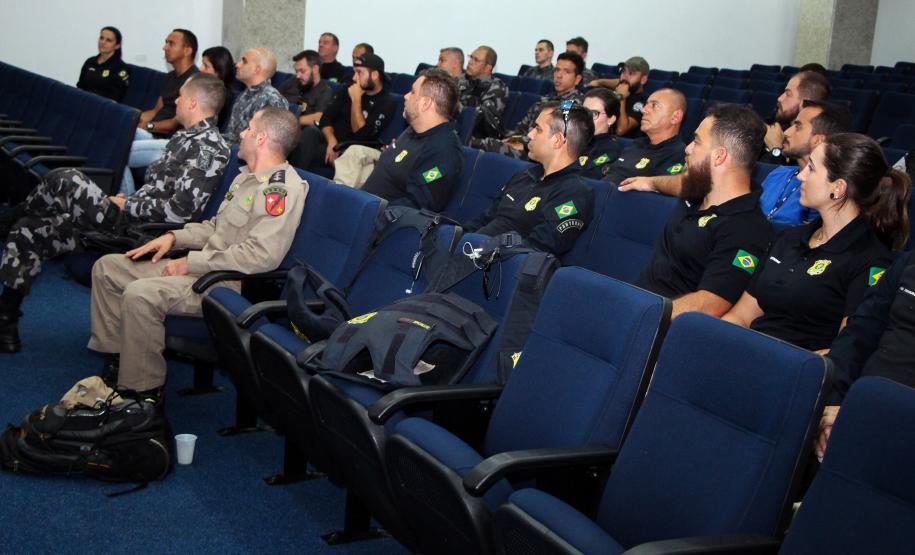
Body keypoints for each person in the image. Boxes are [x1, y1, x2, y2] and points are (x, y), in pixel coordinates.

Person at [84, 107, 305, 402]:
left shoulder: (281, 190)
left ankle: (143, 395)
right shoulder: (245, 178)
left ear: (262, 138)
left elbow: (260, 257)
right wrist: (173, 238)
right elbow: (216, 228)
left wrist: (190, 261)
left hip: (226, 285)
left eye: (249, 129)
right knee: (109, 268)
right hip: (203, 269)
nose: (241, 133)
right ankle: (120, 360)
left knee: (141, 294)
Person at [0, 74, 230, 353]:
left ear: (193, 102)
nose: (176, 101)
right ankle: (6, 319)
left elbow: (178, 213)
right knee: (30, 229)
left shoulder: (208, 148)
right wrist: (128, 199)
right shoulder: (183, 139)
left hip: (143, 234)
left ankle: (8, 217)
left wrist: (127, 206)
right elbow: (158, 192)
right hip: (129, 220)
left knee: (66, 179)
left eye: (180, 96)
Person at [721, 132, 907, 354]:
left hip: (792, 368)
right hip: (749, 350)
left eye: (811, 168)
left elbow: (845, 350)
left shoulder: (869, 259)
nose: (800, 176)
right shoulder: (790, 237)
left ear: (837, 188)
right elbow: (741, 315)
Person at [623, 104, 773, 319]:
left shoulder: (746, 228)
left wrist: (641, 316)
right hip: (636, 301)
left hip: (659, 323)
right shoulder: (697, 192)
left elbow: (711, 303)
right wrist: (651, 182)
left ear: (719, 157)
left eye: (697, 142)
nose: (688, 149)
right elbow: (677, 184)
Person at [812, 145, 912, 460]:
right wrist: (833, 402)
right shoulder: (907, 265)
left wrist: (866, 414)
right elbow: (860, 333)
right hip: (854, 408)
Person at [463, 101, 595, 257]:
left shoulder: (574, 193)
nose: (529, 135)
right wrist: (458, 237)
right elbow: (485, 219)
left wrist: (479, 248)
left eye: (538, 129)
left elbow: (536, 249)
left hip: (497, 269)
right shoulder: (525, 175)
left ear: (557, 140)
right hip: (475, 253)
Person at [358, 68, 463, 211]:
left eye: (413, 92)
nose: (406, 96)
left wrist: (367, 210)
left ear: (426, 103)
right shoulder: (413, 129)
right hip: (364, 205)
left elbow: (414, 207)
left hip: (379, 222)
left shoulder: (444, 152)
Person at [122, 29, 200, 195]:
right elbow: (156, 110)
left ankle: (126, 205)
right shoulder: (171, 77)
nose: (165, 47)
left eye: (171, 43)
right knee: (119, 133)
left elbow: (173, 124)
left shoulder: (194, 81)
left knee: (118, 152)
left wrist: (146, 125)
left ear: (187, 50)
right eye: (166, 42)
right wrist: (131, 119)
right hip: (154, 133)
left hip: (171, 142)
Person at [290, 53, 396, 172]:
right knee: (309, 132)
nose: (354, 78)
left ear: (375, 75)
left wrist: (356, 100)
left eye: (359, 73)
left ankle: (295, 176)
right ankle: (291, 177)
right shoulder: (347, 89)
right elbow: (326, 117)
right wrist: (331, 141)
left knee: (304, 151)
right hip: (331, 142)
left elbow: (361, 136)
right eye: (354, 72)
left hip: (350, 150)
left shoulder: (387, 102)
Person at [470, 52, 585, 160]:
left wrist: (524, 144)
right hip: (523, 144)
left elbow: (554, 139)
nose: (559, 75)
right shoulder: (545, 98)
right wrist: (511, 139)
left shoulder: (574, 107)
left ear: (577, 79)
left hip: (539, 154)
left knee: (486, 146)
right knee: (479, 139)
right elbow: (521, 129)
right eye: (557, 70)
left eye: (566, 72)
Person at [759, 100, 853, 225]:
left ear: (818, 140)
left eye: (797, 127)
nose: (786, 132)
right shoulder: (777, 173)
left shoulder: (825, 192)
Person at [601, 88, 687, 184]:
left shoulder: (679, 155)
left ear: (675, 117)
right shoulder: (636, 144)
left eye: (654, 105)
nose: (643, 110)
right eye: (646, 104)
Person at [221, 48, 288, 146]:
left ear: (257, 69)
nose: (237, 65)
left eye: (244, 61)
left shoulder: (273, 100)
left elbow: (268, 146)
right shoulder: (243, 95)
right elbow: (232, 136)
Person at [762, 71, 831, 164]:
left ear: (805, 103)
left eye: (788, 94)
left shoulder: (810, 144)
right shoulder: (778, 127)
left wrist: (775, 149)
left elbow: (792, 177)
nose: (780, 98)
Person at [587, 56, 650, 138]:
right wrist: (598, 82)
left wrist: (621, 97)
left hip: (620, 143)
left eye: (631, 73)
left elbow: (621, 130)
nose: (624, 77)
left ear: (643, 79)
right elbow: (617, 82)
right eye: (623, 72)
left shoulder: (644, 101)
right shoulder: (623, 84)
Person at [458, 45, 508, 139]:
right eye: (471, 57)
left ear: (487, 68)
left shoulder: (497, 87)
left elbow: (485, 120)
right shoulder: (461, 79)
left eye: (476, 60)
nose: (470, 62)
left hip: (478, 137)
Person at [278, 50, 334, 128]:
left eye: (302, 71)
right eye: (296, 71)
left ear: (315, 69)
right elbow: (275, 99)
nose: (298, 76)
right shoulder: (291, 82)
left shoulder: (324, 91)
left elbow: (319, 117)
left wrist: (289, 121)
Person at [76, 26, 129, 102]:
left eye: (108, 40)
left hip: (103, 107)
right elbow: (80, 86)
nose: (103, 42)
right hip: (83, 102)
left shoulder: (121, 68)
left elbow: (115, 97)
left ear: (117, 46)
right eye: (101, 38)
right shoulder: (90, 61)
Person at [579, 88, 621, 180]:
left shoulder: (609, 151)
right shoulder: (571, 139)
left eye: (594, 113)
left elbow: (584, 179)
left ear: (611, 119)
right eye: (584, 112)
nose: (586, 118)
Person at [200, 46, 236, 127]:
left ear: (219, 70)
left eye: (206, 66)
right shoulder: (205, 90)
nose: (201, 69)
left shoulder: (225, 98)